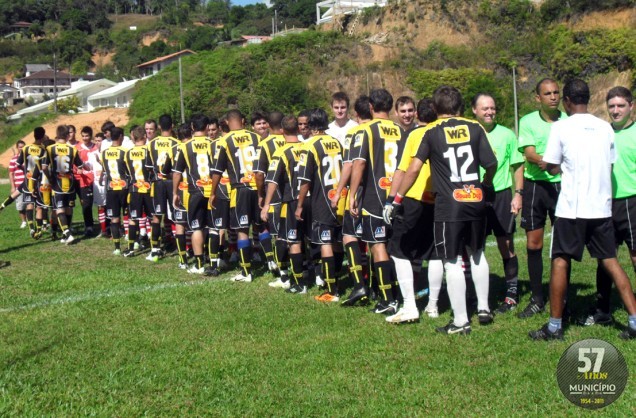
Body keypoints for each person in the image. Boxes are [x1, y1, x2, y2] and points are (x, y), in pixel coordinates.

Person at [530, 79, 636, 340]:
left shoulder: (561, 127)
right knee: (610, 261)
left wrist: (555, 166)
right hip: (601, 207)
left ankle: (554, 326)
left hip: (571, 209)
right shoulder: (605, 128)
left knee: (560, 261)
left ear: (566, 101)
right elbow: (609, 164)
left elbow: (552, 165)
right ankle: (634, 320)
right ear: (588, 99)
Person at [396, 85, 497, 335]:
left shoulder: (431, 131)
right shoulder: (475, 127)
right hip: (475, 197)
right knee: (477, 253)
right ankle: (483, 307)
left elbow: (414, 169)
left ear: (436, 107)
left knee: (451, 261)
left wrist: (398, 197)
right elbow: (492, 163)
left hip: (449, 205)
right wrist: (485, 184)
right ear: (460, 106)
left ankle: (461, 321)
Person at [581, 86, 636, 327]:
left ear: (631, 107)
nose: (615, 111)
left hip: (632, 202)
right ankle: (602, 309)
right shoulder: (603, 133)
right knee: (605, 258)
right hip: (604, 203)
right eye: (611, 106)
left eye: (620, 106)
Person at [383, 97, 441, 323]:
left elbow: (404, 170)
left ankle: (409, 305)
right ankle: (433, 306)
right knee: (436, 253)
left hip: (415, 198)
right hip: (440, 199)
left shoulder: (415, 135)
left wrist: (392, 199)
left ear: (417, 114)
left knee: (399, 251)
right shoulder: (444, 132)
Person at [349, 89, 406, 315]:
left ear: (371, 107)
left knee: (377, 245)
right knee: (395, 248)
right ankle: (399, 293)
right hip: (397, 196)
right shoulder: (402, 131)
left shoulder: (366, 130)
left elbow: (359, 164)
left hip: (375, 197)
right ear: (391, 107)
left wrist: (353, 194)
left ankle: (387, 299)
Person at [471, 93, 525, 314]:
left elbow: (518, 166)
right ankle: (475, 294)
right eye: (485, 108)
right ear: (474, 110)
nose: (490, 112)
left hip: (501, 194)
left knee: (506, 244)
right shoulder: (469, 133)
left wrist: (518, 193)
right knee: (475, 247)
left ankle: (511, 293)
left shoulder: (507, 134)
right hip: (475, 195)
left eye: (492, 108)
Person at [517, 78, 566, 318]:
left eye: (556, 92)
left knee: (563, 245)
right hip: (536, 186)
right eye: (547, 93)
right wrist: (547, 163)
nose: (553, 96)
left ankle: (562, 297)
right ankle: (537, 298)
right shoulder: (527, 121)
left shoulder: (569, 121)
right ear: (538, 98)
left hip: (563, 187)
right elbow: (529, 153)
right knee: (534, 244)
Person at [296, 108, 344, 302]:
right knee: (338, 242)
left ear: (311, 125)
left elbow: (305, 180)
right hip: (341, 197)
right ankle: (338, 277)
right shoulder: (337, 142)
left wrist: (299, 205)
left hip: (322, 199)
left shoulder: (309, 146)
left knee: (325, 242)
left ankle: (331, 290)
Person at [209, 110, 263, 282]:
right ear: (244, 121)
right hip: (257, 185)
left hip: (240, 188)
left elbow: (217, 170)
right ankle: (271, 263)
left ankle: (246, 271)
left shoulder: (225, 141)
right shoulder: (256, 137)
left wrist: (213, 191)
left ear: (226, 122)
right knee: (262, 226)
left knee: (242, 229)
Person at [332, 95, 372, 306]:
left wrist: (341, 192)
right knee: (375, 240)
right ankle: (376, 284)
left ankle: (359, 285)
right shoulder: (388, 129)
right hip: (382, 190)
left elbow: (351, 165)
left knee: (349, 236)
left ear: (355, 113)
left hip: (361, 190)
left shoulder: (355, 131)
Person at [262, 115, 306, 292]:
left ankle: (298, 283)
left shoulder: (280, 152)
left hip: (291, 200)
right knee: (307, 239)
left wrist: (266, 204)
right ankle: (317, 276)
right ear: (298, 128)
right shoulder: (306, 147)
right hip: (310, 198)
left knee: (292, 240)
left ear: (281, 131)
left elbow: (271, 181)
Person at [173, 114, 215, 275]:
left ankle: (199, 264)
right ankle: (215, 260)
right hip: (213, 191)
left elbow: (177, 172)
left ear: (192, 127)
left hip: (195, 191)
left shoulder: (185, 146)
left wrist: (175, 192)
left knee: (196, 227)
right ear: (207, 128)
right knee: (213, 228)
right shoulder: (214, 144)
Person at [254, 111, 286, 277]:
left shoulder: (265, 144)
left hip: (274, 195)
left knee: (278, 235)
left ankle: (283, 273)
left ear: (268, 125)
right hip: (292, 192)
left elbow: (259, 174)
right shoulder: (292, 139)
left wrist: (260, 194)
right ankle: (304, 265)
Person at [145, 114, 178, 262]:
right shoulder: (177, 143)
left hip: (158, 182)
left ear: (159, 126)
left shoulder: (151, 144)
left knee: (157, 216)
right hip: (172, 182)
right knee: (177, 215)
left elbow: (147, 167)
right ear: (172, 126)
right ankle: (183, 247)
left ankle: (155, 249)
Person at [46, 125, 85, 244]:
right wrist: (79, 170)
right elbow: (80, 166)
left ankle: (67, 233)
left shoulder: (50, 148)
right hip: (70, 183)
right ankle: (65, 234)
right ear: (68, 135)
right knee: (68, 209)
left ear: (57, 135)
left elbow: (43, 167)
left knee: (59, 210)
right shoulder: (73, 149)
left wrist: (49, 177)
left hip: (57, 183)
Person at [122, 126, 152, 257]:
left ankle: (130, 248)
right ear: (145, 137)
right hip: (149, 188)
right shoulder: (149, 150)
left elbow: (127, 171)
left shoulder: (128, 153)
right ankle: (155, 247)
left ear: (133, 138)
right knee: (153, 218)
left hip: (135, 189)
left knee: (133, 218)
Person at [15, 127, 48, 239]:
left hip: (28, 180)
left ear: (33, 135)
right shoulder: (43, 150)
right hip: (38, 181)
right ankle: (38, 229)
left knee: (29, 205)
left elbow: (18, 163)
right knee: (39, 207)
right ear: (43, 136)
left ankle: (31, 229)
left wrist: (26, 171)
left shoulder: (26, 148)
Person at [100, 127, 129, 255]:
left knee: (114, 218)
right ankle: (132, 241)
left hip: (111, 188)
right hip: (124, 187)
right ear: (121, 136)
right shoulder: (125, 152)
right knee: (128, 215)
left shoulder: (104, 153)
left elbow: (104, 169)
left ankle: (117, 247)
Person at [173, 124, 193, 269]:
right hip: (197, 190)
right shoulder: (198, 146)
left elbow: (168, 170)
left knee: (180, 225)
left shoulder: (175, 149)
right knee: (198, 225)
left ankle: (182, 259)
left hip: (181, 190)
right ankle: (200, 253)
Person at [75, 126, 99, 236]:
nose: (85, 138)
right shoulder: (77, 148)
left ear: (91, 136)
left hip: (97, 179)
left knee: (100, 204)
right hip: (84, 180)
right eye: (83, 136)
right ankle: (89, 226)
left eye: (87, 136)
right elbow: (74, 163)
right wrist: (78, 169)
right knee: (86, 204)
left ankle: (104, 226)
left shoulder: (96, 147)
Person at [0, 141, 27, 228]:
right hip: (19, 185)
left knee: (33, 204)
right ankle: (24, 222)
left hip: (29, 184)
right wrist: (12, 186)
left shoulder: (28, 157)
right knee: (21, 205)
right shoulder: (13, 160)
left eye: (23, 147)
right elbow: (11, 174)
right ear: (17, 148)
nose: (22, 148)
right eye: (20, 147)